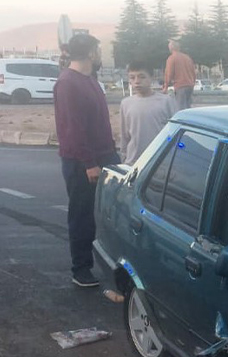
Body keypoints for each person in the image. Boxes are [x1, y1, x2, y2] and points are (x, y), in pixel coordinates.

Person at [54, 34, 118, 288]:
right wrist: (89, 163)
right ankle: (81, 268)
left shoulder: (90, 80)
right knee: (82, 215)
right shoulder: (67, 83)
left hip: (105, 154)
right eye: (98, 49)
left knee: (112, 212)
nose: (100, 54)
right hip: (82, 161)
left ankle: (115, 264)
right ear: (91, 52)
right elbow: (73, 128)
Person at [119, 60, 177, 164]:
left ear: (151, 78)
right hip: (133, 161)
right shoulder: (126, 103)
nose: (137, 81)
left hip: (160, 161)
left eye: (142, 77)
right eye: (132, 77)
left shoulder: (166, 101)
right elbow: (124, 136)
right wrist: (124, 157)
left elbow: (174, 132)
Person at [163, 39, 197, 110]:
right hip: (190, 86)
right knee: (188, 107)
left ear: (171, 48)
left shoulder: (171, 58)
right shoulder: (187, 57)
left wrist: (165, 87)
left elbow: (169, 74)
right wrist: (193, 83)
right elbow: (193, 72)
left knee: (180, 108)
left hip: (180, 86)